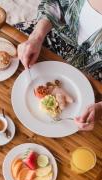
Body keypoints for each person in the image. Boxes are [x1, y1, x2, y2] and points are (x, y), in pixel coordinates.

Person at [16, 0, 102, 131]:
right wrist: (36, 37)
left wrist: (101, 108)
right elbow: (54, 3)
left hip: (94, 71)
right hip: (54, 35)